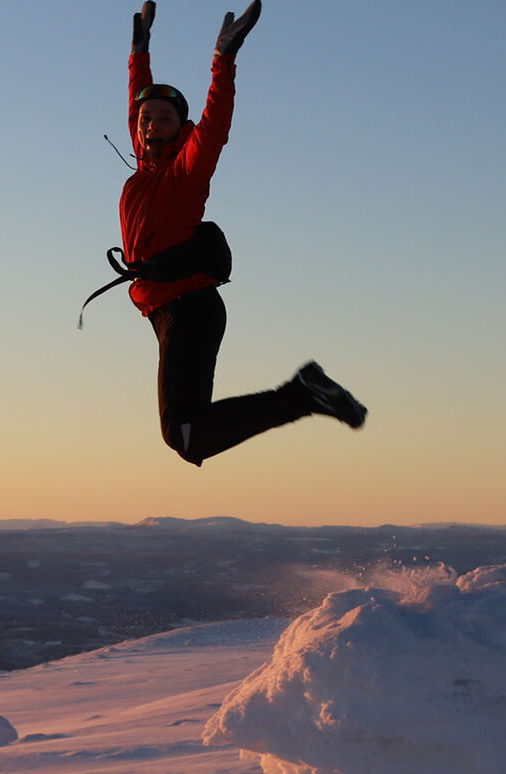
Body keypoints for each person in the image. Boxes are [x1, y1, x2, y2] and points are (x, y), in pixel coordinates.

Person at [114, 0, 365, 466]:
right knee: (188, 433)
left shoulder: (185, 169)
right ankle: (304, 393)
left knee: (186, 436)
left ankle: (303, 394)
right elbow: (138, 97)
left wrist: (222, 62)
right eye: (146, 119)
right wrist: (139, 48)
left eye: (162, 119)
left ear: (179, 130)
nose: (149, 124)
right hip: (167, 310)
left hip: (188, 308)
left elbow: (215, 124)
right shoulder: (145, 161)